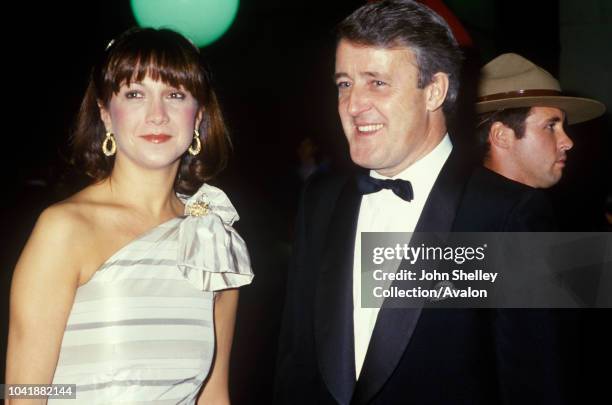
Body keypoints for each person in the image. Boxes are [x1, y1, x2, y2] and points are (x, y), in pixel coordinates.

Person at [275, 1, 570, 404]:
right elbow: (295, 358)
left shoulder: (506, 215)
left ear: (435, 91)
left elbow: (533, 383)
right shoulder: (321, 198)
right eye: (345, 83)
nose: (353, 104)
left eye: (376, 82)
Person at [6, 28, 253, 404]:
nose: (157, 115)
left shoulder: (214, 234)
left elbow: (215, 395)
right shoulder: (65, 229)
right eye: (135, 94)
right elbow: (24, 393)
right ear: (106, 116)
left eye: (175, 95)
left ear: (198, 117)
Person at [476, 53, 605, 189]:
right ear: (501, 136)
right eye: (550, 126)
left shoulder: (468, 203)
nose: (568, 143)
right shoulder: (521, 207)